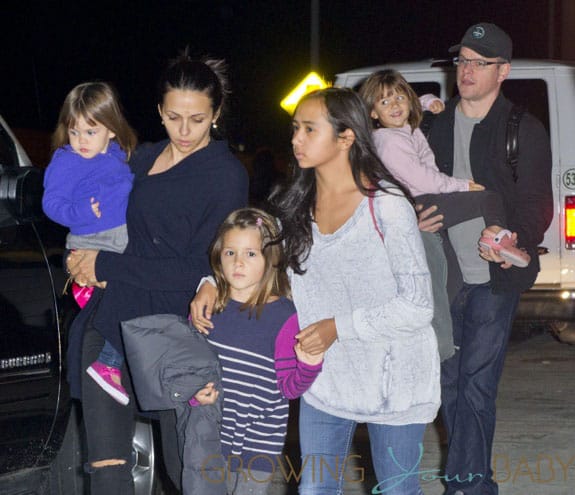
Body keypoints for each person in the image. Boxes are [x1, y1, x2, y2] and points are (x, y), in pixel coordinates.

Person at [192, 88, 441, 495]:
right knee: (314, 490)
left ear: (346, 137)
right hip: (326, 381)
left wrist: (336, 328)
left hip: (394, 382)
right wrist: (208, 284)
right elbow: (256, 261)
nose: (296, 139)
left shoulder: (387, 206)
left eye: (310, 129)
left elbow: (417, 306)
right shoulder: (296, 206)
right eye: (295, 129)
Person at [66, 51, 249, 494]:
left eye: (197, 119)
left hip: (175, 337)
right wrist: (80, 253)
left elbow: (200, 266)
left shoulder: (224, 175)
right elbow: (99, 216)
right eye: (173, 117)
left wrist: (106, 265)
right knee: (107, 470)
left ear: (217, 115)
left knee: (183, 468)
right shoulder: (139, 160)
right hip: (110, 327)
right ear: (158, 112)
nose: (184, 131)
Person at [419, 23, 553, 494]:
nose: (467, 70)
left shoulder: (522, 128)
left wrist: (509, 233)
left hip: (495, 278)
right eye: (463, 61)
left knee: (476, 385)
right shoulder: (433, 125)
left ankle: (467, 487)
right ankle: (474, 481)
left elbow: (538, 202)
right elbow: (411, 187)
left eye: (480, 62)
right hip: (445, 277)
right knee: (449, 387)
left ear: (504, 71)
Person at [358, 69, 529, 361]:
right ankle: (497, 239)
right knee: (486, 197)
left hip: (424, 200)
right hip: (425, 201)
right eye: (385, 103)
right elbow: (422, 178)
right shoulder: (388, 141)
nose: (396, 105)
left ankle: (440, 340)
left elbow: (413, 107)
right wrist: (461, 185)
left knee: (451, 276)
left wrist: (426, 101)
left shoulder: (402, 129)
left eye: (399, 97)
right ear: (372, 113)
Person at [190, 207, 323, 495]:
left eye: (251, 254)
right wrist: (193, 395)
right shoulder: (205, 309)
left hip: (258, 446)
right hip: (207, 437)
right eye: (230, 253)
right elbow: (186, 369)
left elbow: (289, 389)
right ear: (218, 256)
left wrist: (309, 365)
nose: (238, 262)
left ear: (269, 259)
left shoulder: (284, 317)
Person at [42, 81, 137, 406]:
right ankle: (108, 364)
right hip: (90, 240)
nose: (81, 140)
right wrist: (78, 211)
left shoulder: (118, 156)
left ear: (111, 130)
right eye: (74, 131)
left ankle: (112, 365)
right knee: (125, 298)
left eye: (90, 131)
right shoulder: (66, 160)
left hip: (122, 238)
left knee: (136, 299)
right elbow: (51, 204)